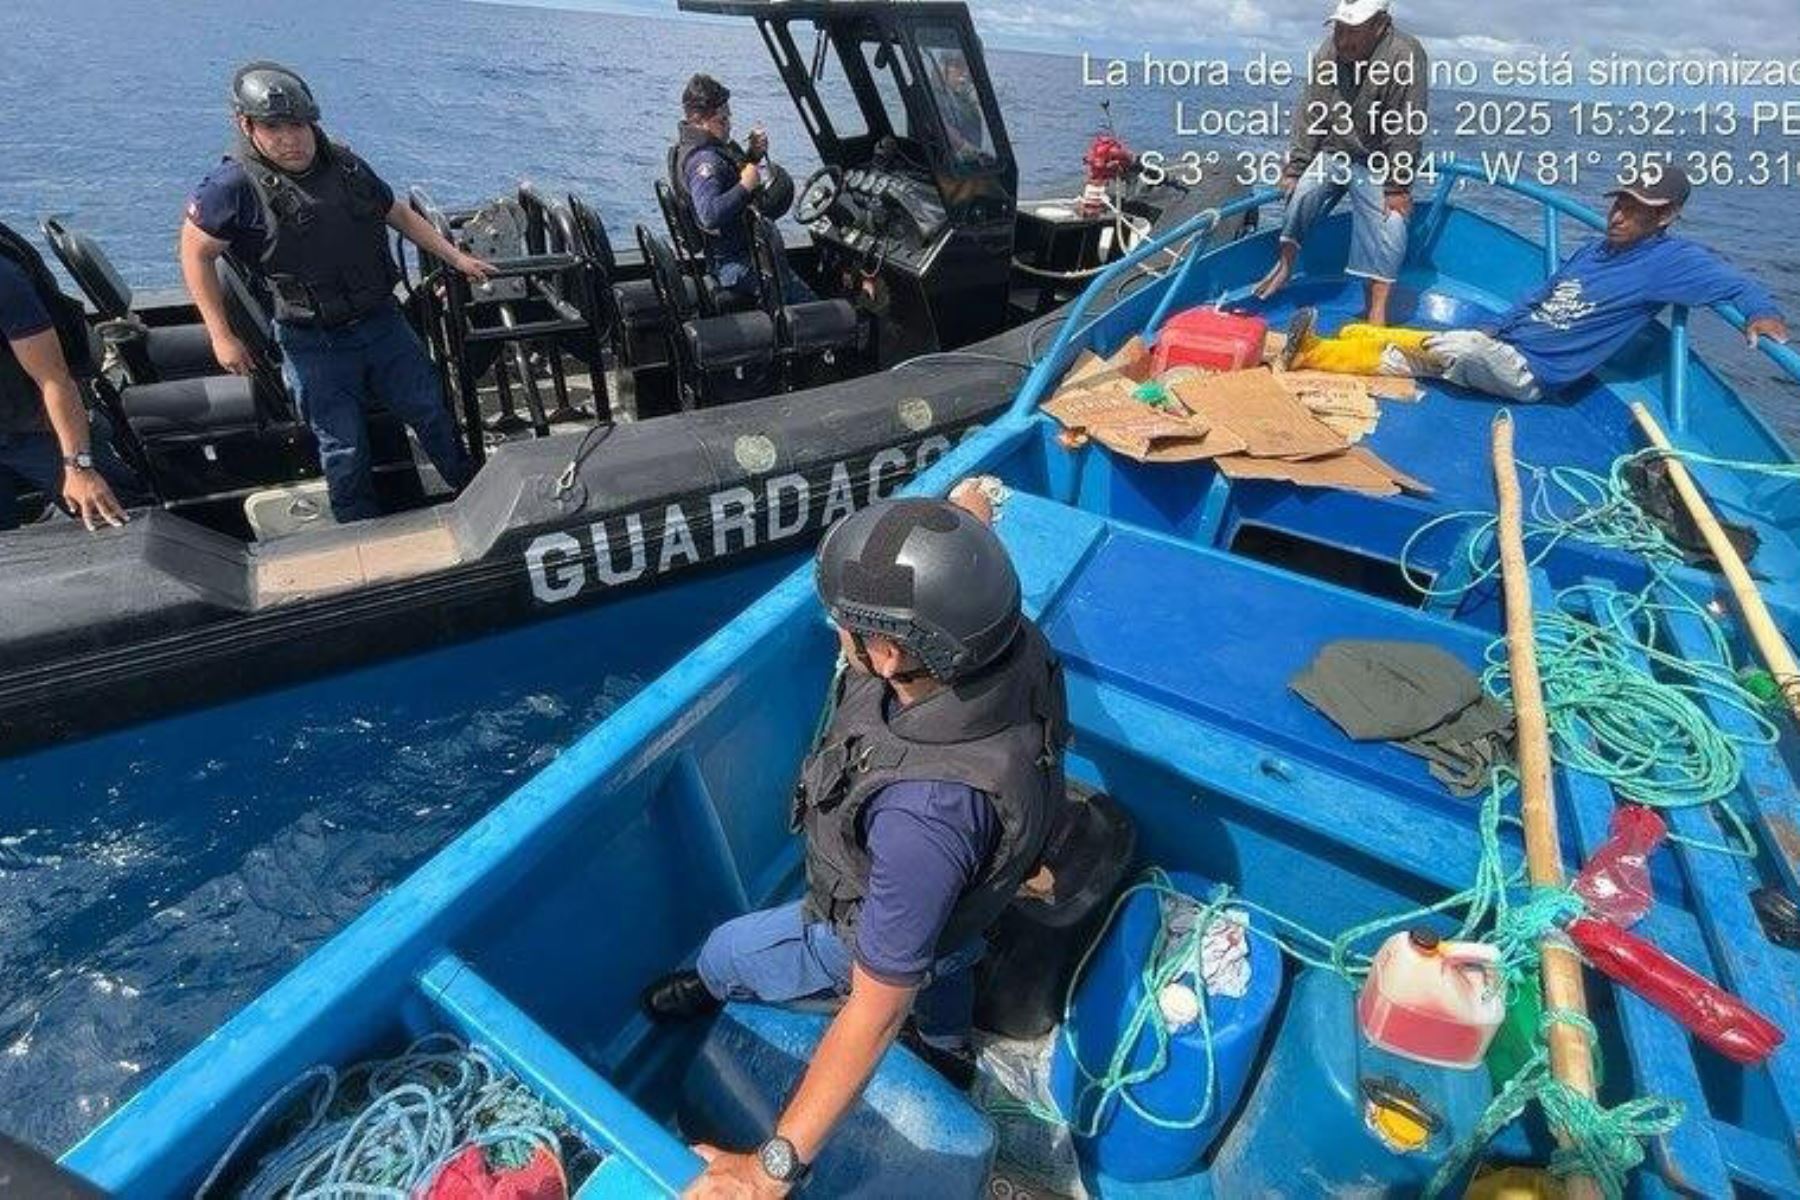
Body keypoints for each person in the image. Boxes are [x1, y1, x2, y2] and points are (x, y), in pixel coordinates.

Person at [640, 494, 1068, 1198]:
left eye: (847, 624)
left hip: (878, 923)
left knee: (724, 953)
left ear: (891, 650)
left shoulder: (924, 818)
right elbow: (962, 568)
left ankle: (702, 988)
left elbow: (875, 1008)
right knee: (946, 965)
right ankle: (946, 1050)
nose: (838, 630)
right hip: (967, 915)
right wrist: (964, 521)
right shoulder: (1003, 640)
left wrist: (770, 1168)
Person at [179, 61, 493, 524]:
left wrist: (455, 257)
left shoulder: (344, 163)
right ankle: (356, 529)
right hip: (312, 340)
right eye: (274, 127)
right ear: (246, 126)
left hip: (382, 322)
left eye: (299, 125)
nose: (291, 138)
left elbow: (397, 213)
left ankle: (475, 497)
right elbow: (194, 252)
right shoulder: (231, 187)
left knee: (430, 410)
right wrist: (220, 334)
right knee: (342, 444)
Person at [1282, 171, 1791, 402]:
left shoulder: (1672, 261)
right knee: (1396, 351)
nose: (1618, 215)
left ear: (1666, 217)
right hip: (1505, 348)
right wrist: (1496, 327)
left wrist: (1761, 314)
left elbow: (1737, 283)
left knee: (1449, 346)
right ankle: (1315, 356)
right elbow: (1540, 297)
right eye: (1619, 203)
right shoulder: (1594, 250)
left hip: (1535, 374)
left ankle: (1366, 344)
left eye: (1636, 209)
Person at [1254, 0, 1428, 327]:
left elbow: (1407, 124)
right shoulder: (1329, 51)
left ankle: (1376, 311)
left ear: (1380, 25)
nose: (1343, 40)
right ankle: (1286, 265)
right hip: (1335, 150)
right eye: (1339, 29)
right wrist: (1297, 166)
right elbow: (1311, 110)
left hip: (1378, 160)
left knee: (1391, 224)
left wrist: (1398, 186)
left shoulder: (1405, 53)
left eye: (1354, 31)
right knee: (1301, 192)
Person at [0, 224, 141, 532]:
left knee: (119, 515)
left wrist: (79, 468)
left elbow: (54, 379)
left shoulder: (4, 279)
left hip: (36, 431)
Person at [669, 73, 815, 305]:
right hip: (733, 265)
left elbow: (725, 181)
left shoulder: (695, 147)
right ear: (698, 121)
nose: (729, 125)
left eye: (728, 118)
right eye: (722, 121)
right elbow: (709, 214)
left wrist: (753, 156)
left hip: (736, 254)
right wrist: (746, 186)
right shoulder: (704, 162)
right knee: (810, 306)